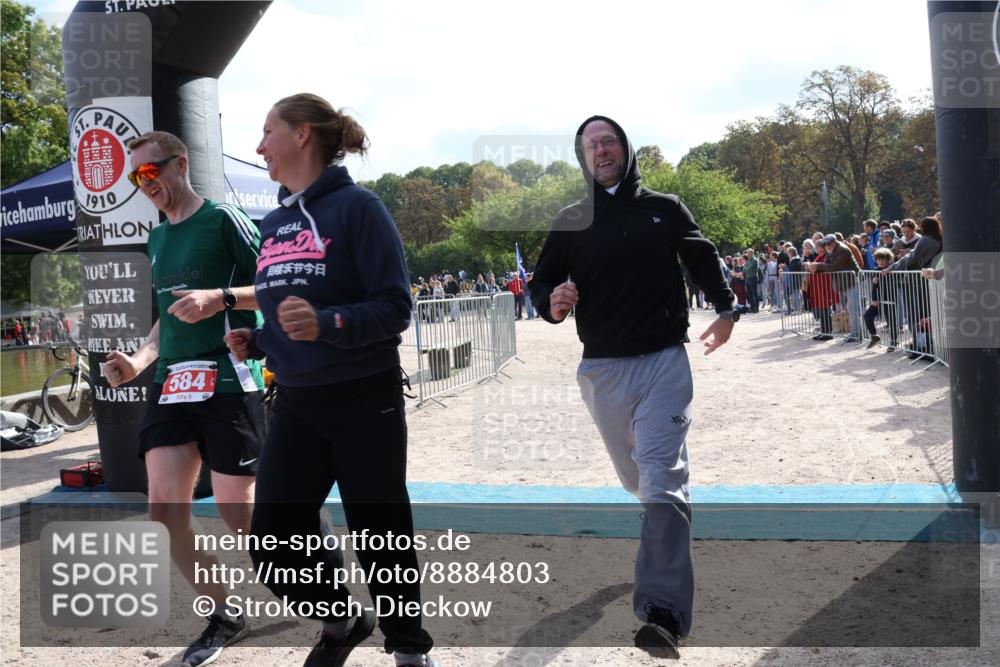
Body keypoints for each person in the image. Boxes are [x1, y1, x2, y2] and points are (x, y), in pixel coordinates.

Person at [226, 93, 436, 667]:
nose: (258, 145)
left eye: (266, 131)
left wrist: (330, 323)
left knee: (380, 532)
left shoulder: (360, 208)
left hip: (365, 397)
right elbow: (283, 313)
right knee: (271, 539)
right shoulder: (272, 223)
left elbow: (395, 307)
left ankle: (410, 649)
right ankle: (342, 617)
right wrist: (261, 339)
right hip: (295, 402)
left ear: (300, 136)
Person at [530, 115, 737, 660]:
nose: (601, 151)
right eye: (590, 145)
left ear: (626, 147)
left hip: (665, 363)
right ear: (582, 158)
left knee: (662, 483)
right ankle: (656, 524)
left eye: (609, 141)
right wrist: (552, 304)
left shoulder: (664, 209)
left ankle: (663, 614)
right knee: (639, 480)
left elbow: (701, 254)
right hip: (603, 371)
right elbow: (541, 283)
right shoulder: (570, 220)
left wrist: (726, 308)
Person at [102, 130, 265, 667]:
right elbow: (164, 320)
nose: (142, 184)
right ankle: (224, 613)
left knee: (237, 512)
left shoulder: (223, 219)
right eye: (134, 177)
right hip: (174, 382)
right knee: (163, 513)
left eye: (149, 173)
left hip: (229, 374)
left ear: (180, 165)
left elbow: (281, 285)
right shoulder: (157, 239)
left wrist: (220, 298)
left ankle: (315, 560)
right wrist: (138, 360)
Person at [807, 234, 861, 342]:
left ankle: (857, 334)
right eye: (825, 244)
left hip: (852, 282)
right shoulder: (831, 250)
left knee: (852, 308)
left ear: (834, 241)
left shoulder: (842, 250)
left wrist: (818, 265)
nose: (827, 246)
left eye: (829, 243)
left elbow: (835, 267)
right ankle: (855, 333)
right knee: (850, 308)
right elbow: (827, 264)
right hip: (844, 283)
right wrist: (815, 267)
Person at [864, 248, 899, 350]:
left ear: (889, 260)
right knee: (867, 316)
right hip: (878, 300)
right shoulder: (875, 270)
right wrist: (875, 298)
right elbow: (874, 287)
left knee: (890, 320)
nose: (881, 262)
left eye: (884, 259)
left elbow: (894, 284)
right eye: (879, 259)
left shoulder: (892, 269)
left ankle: (893, 341)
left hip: (889, 297)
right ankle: (875, 336)